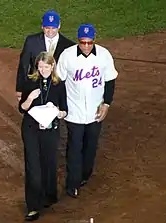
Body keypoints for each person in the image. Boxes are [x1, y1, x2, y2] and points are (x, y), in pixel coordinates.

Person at [56, 24, 118, 198]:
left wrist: (107, 104)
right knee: (75, 146)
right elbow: (59, 82)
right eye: (82, 42)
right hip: (73, 111)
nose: (85, 46)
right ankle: (72, 183)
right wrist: (62, 106)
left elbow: (110, 81)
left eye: (89, 42)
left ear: (94, 40)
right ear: (78, 41)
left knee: (90, 146)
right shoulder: (67, 55)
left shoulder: (104, 55)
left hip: (95, 111)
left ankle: (84, 175)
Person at [19, 51, 68, 221]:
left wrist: (59, 112)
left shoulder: (59, 85)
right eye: (40, 66)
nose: (43, 70)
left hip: (50, 128)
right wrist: (30, 99)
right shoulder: (29, 82)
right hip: (31, 129)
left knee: (49, 162)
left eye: (46, 66)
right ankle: (33, 206)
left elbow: (64, 109)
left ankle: (49, 195)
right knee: (33, 166)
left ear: (52, 66)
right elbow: (22, 108)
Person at [16, 9, 75, 101]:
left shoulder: (68, 45)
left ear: (59, 26)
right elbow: (24, 65)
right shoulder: (31, 41)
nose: (50, 31)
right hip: (35, 84)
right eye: (47, 28)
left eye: (53, 28)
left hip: (57, 87)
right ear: (42, 26)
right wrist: (20, 88)